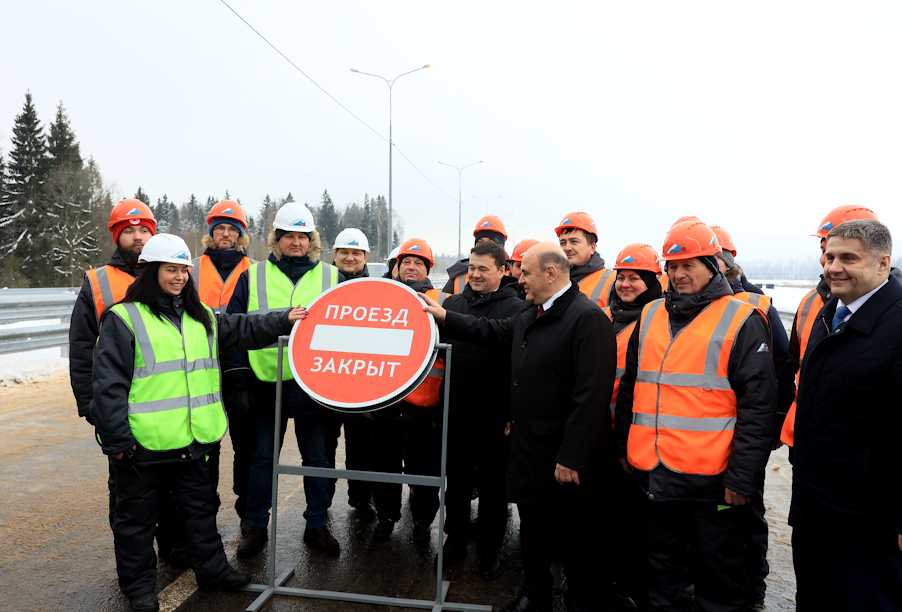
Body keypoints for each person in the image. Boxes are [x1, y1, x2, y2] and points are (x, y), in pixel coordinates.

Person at [90, 233, 308, 612]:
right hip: (144, 446)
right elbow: (108, 386)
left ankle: (212, 569)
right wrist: (118, 443)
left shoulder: (200, 316)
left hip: (192, 441)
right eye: (170, 270)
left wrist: (284, 318)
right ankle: (139, 589)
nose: (179, 277)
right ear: (151, 271)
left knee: (200, 511)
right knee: (136, 522)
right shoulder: (124, 318)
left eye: (183, 270)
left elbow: (242, 328)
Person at [423, 241, 616, 612]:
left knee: (573, 536)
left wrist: (572, 456)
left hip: (564, 456)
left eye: (525, 272)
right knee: (533, 527)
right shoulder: (531, 313)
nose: (519, 278)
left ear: (551, 273)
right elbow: (492, 331)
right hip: (529, 447)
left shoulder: (587, 319)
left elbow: (591, 397)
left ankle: (576, 599)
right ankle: (535, 595)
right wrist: (445, 316)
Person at [614, 220, 776, 612]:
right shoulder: (650, 314)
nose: (679, 274)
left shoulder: (741, 320)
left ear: (713, 266)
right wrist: (623, 447)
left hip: (712, 481)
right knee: (661, 573)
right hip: (654, 471)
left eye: (689, 265)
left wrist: (742, 478)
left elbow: (757, 408)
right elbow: (632, 389)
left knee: (718, 577)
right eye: (672, 266)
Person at [68, 199, 189, 565]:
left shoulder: (173, 274)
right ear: (116, 236)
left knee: (172, 487)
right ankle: (135, 566)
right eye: (129, 231)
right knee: (129, 493)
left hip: (166, 404)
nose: (137, 237)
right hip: (120, 405)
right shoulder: (99, 281)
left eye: (144, 230)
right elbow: (82, 347)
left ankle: (173, 548)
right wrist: (90, 405)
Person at [790, 220, 902, 611]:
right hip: (818, 509)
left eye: (848, 259)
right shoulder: (831, 315)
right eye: (829, 257)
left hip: (869, 522)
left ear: (883, 263)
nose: (833, 267)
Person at [224, 201, 343, 558]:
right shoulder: (253, 276)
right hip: (265, 382)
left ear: (312, 240)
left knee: (318, 458)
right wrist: (238, 377)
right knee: (261, 459)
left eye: (303, 236)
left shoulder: (332, 277)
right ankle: (255, 526)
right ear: (276, 239)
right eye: (289, 236)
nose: (296, 242)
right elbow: (233, 329)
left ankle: (317, 524)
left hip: (313, 384)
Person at [711, 224, 794, 609]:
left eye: (718, 258)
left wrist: (772, 425)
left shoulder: (757, 304)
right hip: (706, 442)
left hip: (745, 434)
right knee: (716, 515)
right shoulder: (681, 302)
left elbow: (781, 365)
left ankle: (752, 582)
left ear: (729, 260)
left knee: (746, 510)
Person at [441, 240, 524, 580]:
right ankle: (455, 541)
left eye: (483, 269)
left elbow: (515, 360)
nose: (474, 274)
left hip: (495, 414)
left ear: (503, 271)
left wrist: (512, 413)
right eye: (471, 268)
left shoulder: (516, 308)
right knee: (457, 483)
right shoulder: (453, 303)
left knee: (493, 488)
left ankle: (489, 550)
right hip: (456, 410)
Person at [780, 204, 879, 447]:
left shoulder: (890, 310)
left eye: (847, 256)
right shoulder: (810, 302)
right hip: (803, 436)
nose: (829, 262)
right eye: (826, 252)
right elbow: (794, 365)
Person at [370, 238, 446, 544]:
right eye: (406, 263)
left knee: (425, 473)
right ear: (396, 267)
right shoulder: (382, 297)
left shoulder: (442, 300)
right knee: (383, 468)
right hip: (386, 405)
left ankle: (422, 522)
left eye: (418, 263)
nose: (412, 267)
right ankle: (386, 517)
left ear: (427, 269)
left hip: (426, 407)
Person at [605, 243, 664, 610]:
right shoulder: (604, 317)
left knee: (636, 522)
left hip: (636, 438)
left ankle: (634, 587)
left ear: (651, 282)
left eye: (635, 278)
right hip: (601, 433)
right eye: (621, 277)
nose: (625, 284)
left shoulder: (658, 322)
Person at [192, 199, 255, 537]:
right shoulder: (192, 269)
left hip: (243, 372)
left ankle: (247, 510)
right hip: (201, 371)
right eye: (220, 229)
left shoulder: (256, 271)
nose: (226, 234)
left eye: (232, 229)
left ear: (241, 235)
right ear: (211, 233)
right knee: (205, 447)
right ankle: (204, 514)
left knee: (246, 446)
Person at [331, 227, 377, 518]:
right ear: (334, 255)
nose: (350, 258)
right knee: (324, 446)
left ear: (365, 257)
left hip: (362, 381)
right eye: (344, 252)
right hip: (326, 377)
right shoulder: (322, 284)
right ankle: (321, 503)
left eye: (356, 253)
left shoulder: (376, 289)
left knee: (361, 444)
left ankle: (361, 498)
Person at [555, 211, 615, 308]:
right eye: (563, 243)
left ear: (592, 247)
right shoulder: (552, 280)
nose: (567, 248)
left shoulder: (612, 280)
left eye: (574, 241)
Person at [443, 215, 508, 295]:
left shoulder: (515, 275)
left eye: (490, 243)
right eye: (480, 242)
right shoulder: (459, 276)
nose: (484, 247)